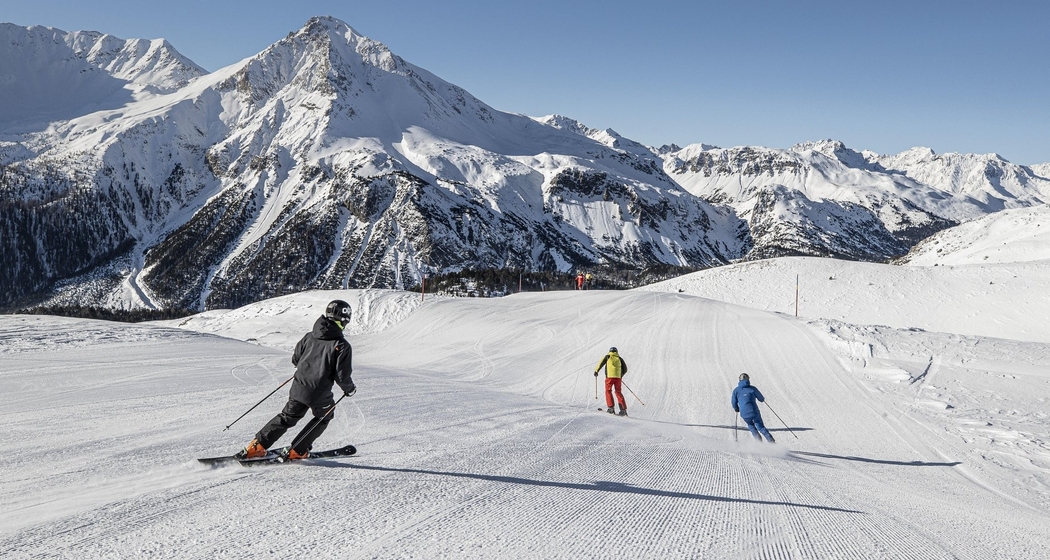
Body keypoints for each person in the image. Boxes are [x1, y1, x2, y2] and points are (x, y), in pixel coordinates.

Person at [239, 300, 357, 460]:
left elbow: (296, 359)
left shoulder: (309, 336)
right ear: (344, 319)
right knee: (324, 416)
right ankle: (297, 450)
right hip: (319, 392)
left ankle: (256, 447)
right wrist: (350, 389)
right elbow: (342, 376)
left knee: (287, 417)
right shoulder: (341, 345)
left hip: (298, 387)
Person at [731, 373, 775, 443]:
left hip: (744, 413)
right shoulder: (753, 388)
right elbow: (761, 399)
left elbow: (733, 402)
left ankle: (758, 441)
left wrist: (736, 408)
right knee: (760, 427)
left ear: (739, 380)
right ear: (748, 379)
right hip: (754, 411)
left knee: (750, 425)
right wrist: (762, 399)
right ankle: (771, 441)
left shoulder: (736, 390)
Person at [594, 347, 628, 416]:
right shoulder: (620, 358)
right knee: (618, 392)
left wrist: (596, 371)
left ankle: (611, 408)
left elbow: (600, 363)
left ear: (610, 351)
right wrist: (620, 375)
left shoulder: (608, 357)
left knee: (608, 391)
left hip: (609, 377)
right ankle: (623, 410)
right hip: (618, 378)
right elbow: (625, 369)